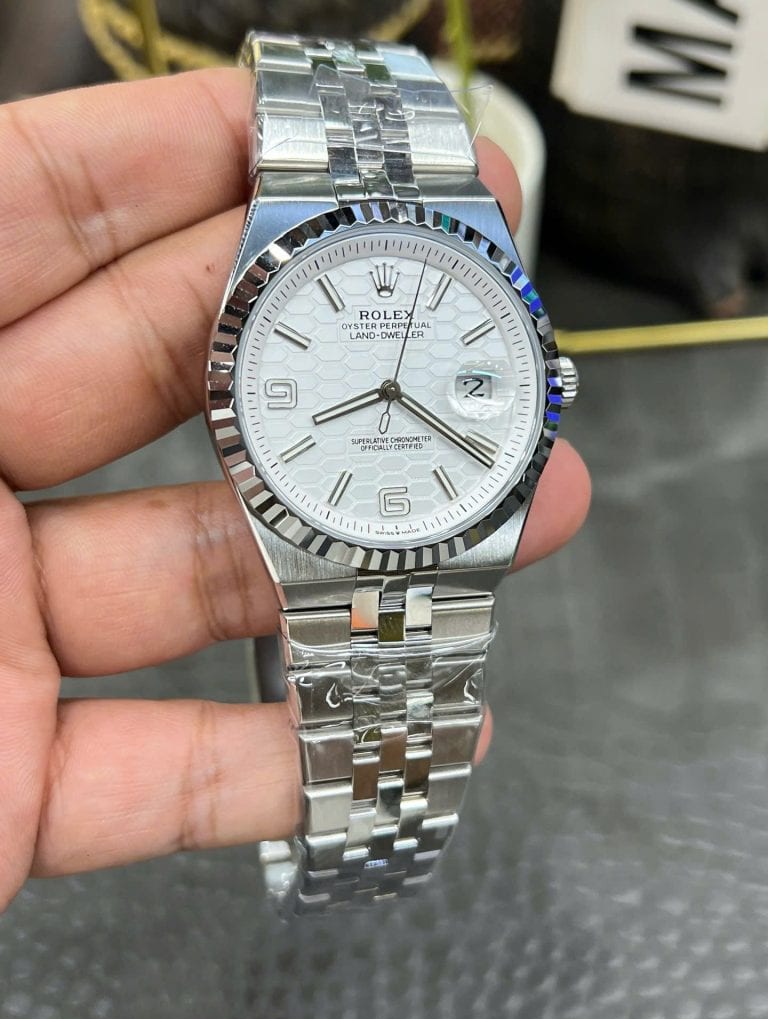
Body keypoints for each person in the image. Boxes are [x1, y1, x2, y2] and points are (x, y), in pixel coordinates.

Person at [0, 68, 591, 912]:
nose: (389, 393)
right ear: (224, 387)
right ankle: (357, 845)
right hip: (372, 504)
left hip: (450, 503)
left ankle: (364, 841)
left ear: (549, 384)